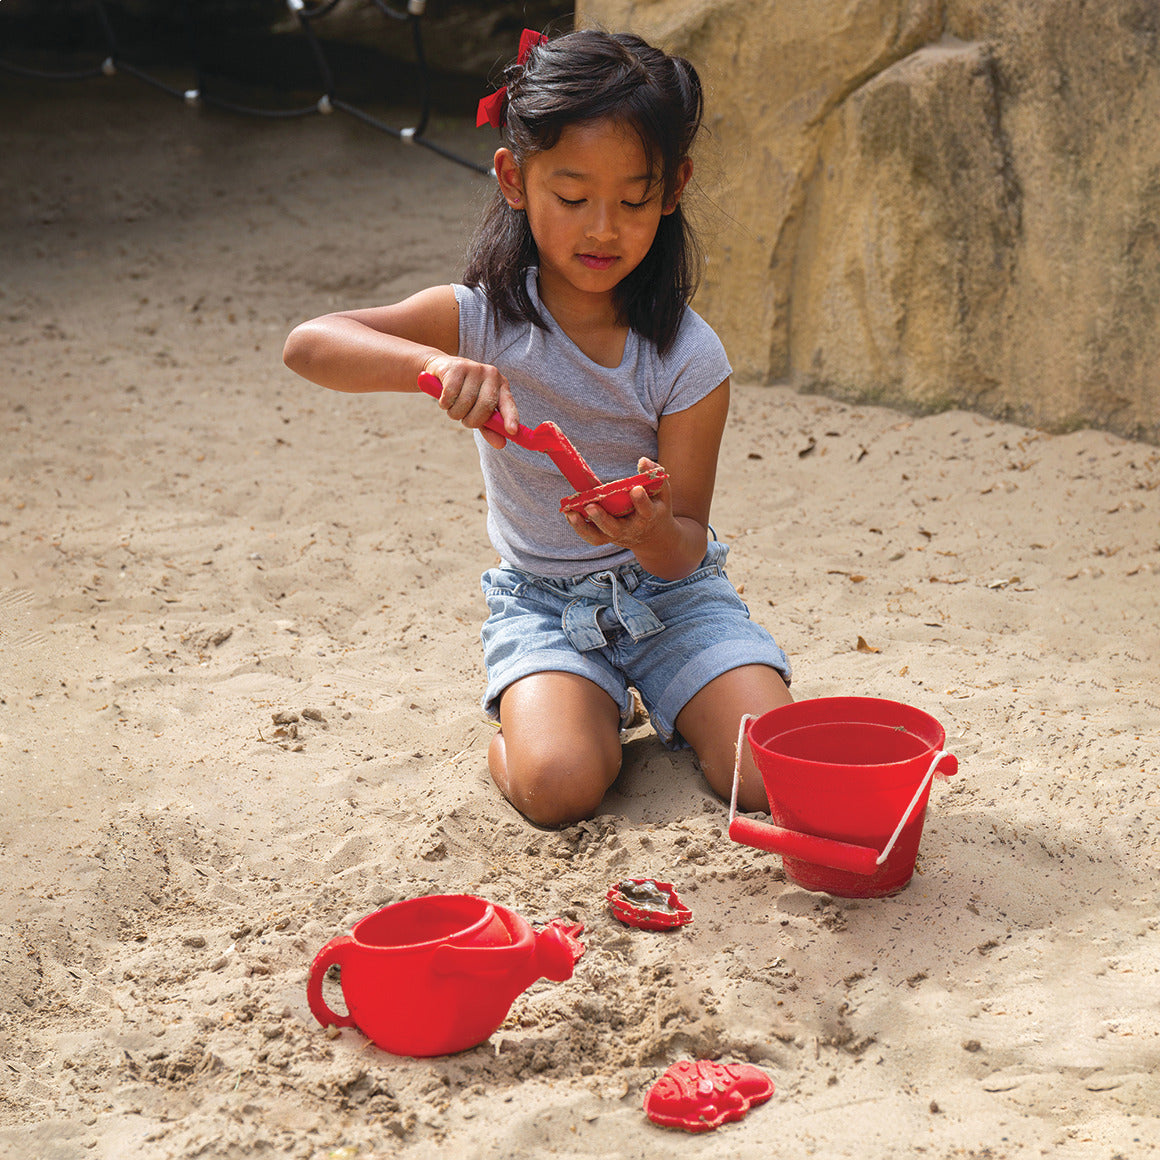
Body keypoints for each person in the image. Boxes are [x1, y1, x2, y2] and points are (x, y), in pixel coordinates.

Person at [283, 28, 792, 827]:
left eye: (632, 200)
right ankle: (552, 728)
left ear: (673, 188)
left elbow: (688, 539)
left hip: (676, 599)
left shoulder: (688, 355)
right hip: (543, 606)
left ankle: (669, 705)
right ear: (514, 180)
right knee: (558, 788)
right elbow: (309, 343)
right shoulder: (481, 320)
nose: (602, 229)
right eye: (572, 195)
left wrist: (651, 531)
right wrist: (434, 367)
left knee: (770, 774)